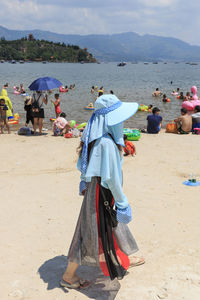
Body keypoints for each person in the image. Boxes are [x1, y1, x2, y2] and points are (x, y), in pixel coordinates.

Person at [60, 94, 144, 290]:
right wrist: (123, 201)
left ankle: (122, 257)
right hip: (102, 191)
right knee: (89, 229)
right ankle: (68, 275)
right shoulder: (106, 143)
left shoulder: (93, 137)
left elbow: (84, 163)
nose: (121, 123)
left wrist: (83, 181)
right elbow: (111, 178)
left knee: (110, 224)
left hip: (95, 189)